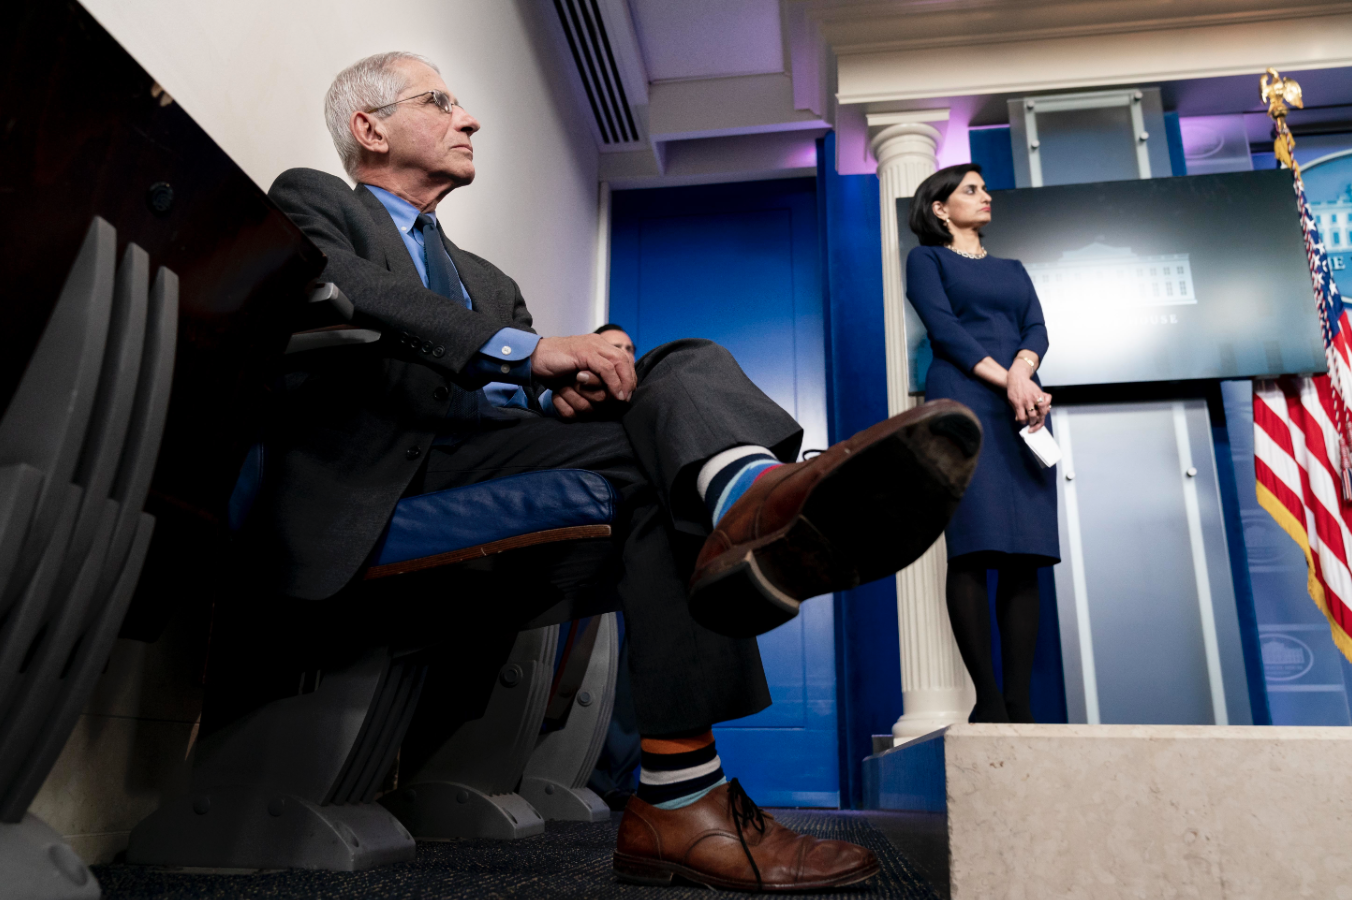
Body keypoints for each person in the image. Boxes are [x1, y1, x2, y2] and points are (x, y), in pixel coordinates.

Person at [260, 51, 981, 891]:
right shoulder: (317, 199)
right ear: (370, 127)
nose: (469, 119)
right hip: (377, 474)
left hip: (480, 458)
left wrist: (561, 392)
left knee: (679, 369)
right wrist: (534, 353)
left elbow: (515, 400)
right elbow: (344, 284)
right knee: (666, 463)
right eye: (442, 102)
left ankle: (742, 497)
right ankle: (744, 529)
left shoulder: (487, 281)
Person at [904, 163, 1061, 724]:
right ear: (941, 208)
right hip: (964, 406)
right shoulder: (927, 259)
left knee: (1026, 555)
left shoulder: (1013, 268)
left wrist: (1024, 370)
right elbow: (944, 331)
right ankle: (987, 703)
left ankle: (1018, 705)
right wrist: (1012, 378)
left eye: (984, 188)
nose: (985, 195)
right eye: (971, 190)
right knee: (972, 548)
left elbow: (1036, 328)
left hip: (1023, 411)